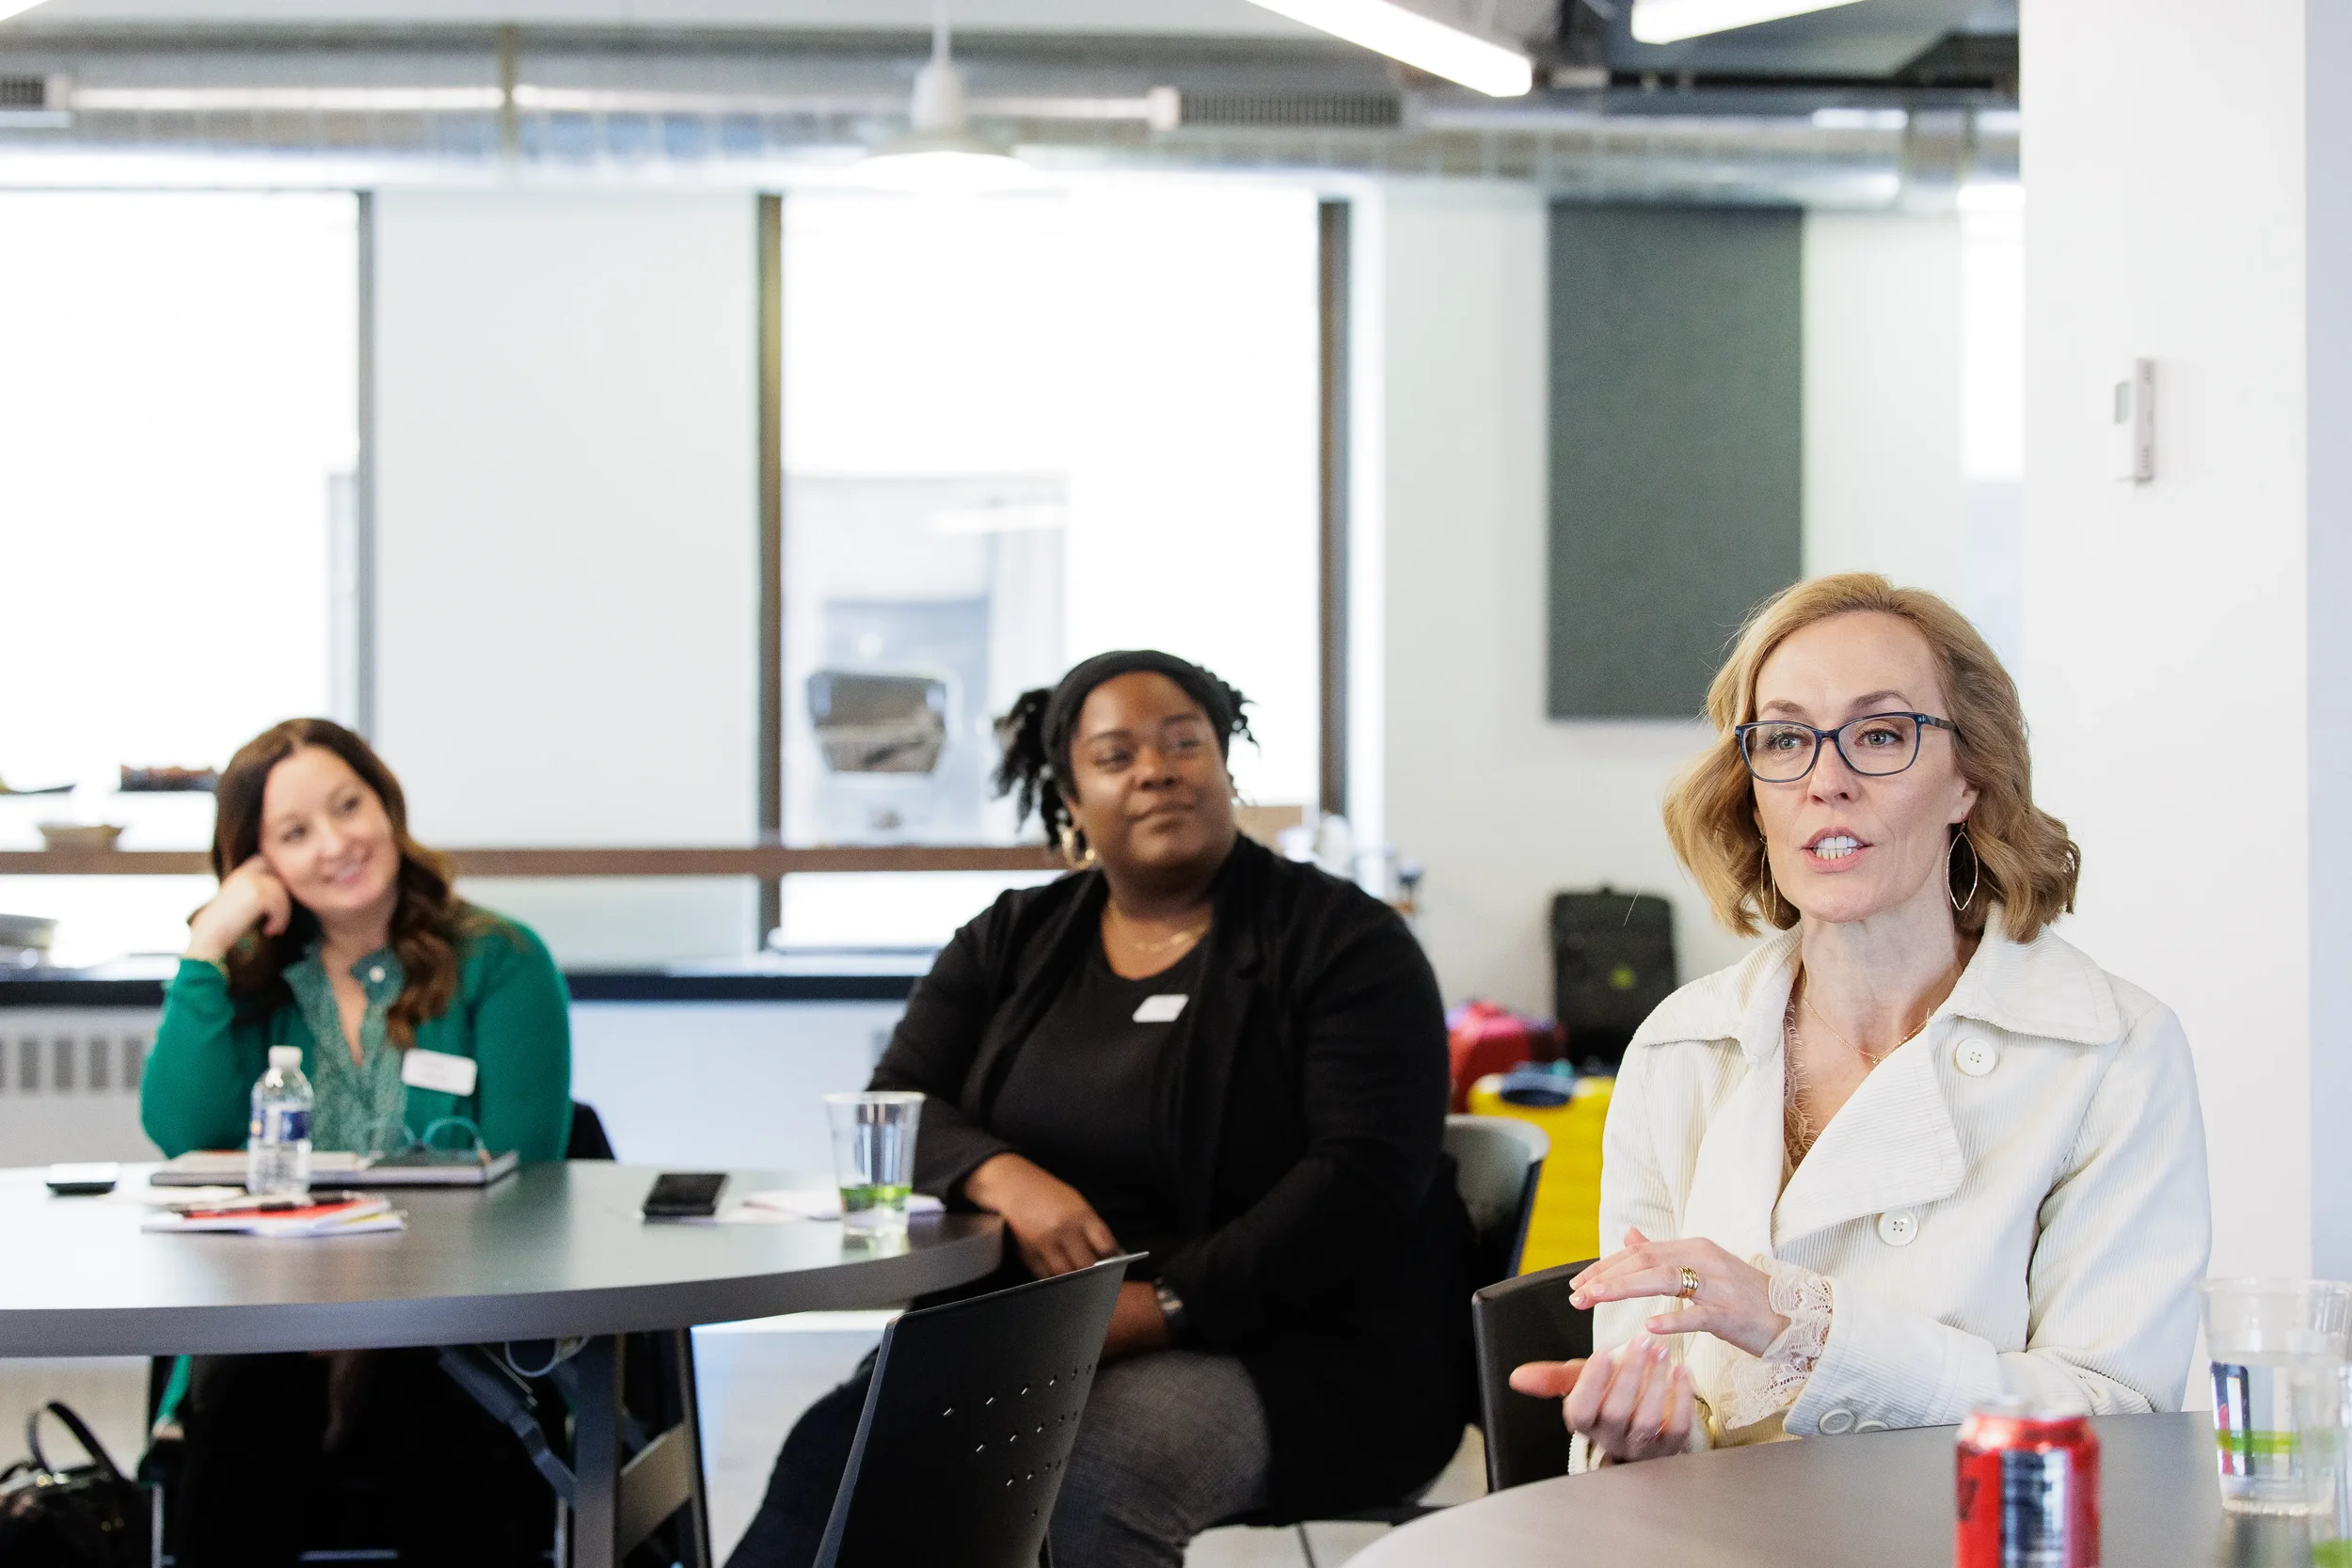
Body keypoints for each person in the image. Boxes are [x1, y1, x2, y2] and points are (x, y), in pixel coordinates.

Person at [728, 650, 1474, 1568]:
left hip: (1303, 1348)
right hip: (1039, 1331)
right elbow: (894, 1106)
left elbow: (1359, 1179)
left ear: (1226, 767)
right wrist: (1005, 1176)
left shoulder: (1346, 940)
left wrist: (1154, 1305)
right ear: (1070, 798)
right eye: (1115, 756)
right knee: (828, 1457)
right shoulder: (1011, 936)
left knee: (1074, 1478)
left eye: (1183, 743)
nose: (1155, 768)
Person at [1509, 573, 2211, 1466]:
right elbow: (1659, 1405)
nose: (1826, 781)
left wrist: (1802, 1329)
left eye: (1880, 734)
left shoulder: (2112, 1052)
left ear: (1970, 779)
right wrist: (1650, 1433)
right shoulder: (1680, 1047)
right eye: (1787, 738)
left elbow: (2122, 1421)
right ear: (1752, 786)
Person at [141, 717, 573, 1566]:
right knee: (253, 1392)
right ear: (255, 863)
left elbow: (523, 1180)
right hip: (275, 1331)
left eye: (349, 806)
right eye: (295, 833)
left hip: (455, 1325)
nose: (337, 843)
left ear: (388, 805)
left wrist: (359, 1319)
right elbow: (183, 1135)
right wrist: (206, 946)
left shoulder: (502, 960)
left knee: (433, 1389)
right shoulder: (253, 978)